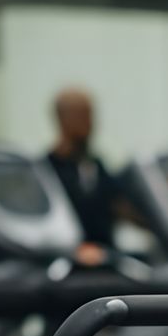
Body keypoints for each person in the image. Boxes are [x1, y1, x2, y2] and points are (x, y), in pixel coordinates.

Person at [45, 89, 120, 264]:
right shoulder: (45, 170)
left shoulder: (97, 167)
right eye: (83, 116)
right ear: (62, 119)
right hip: (64, 263)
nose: (90, 124)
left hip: (106, 260)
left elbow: (120, 205)